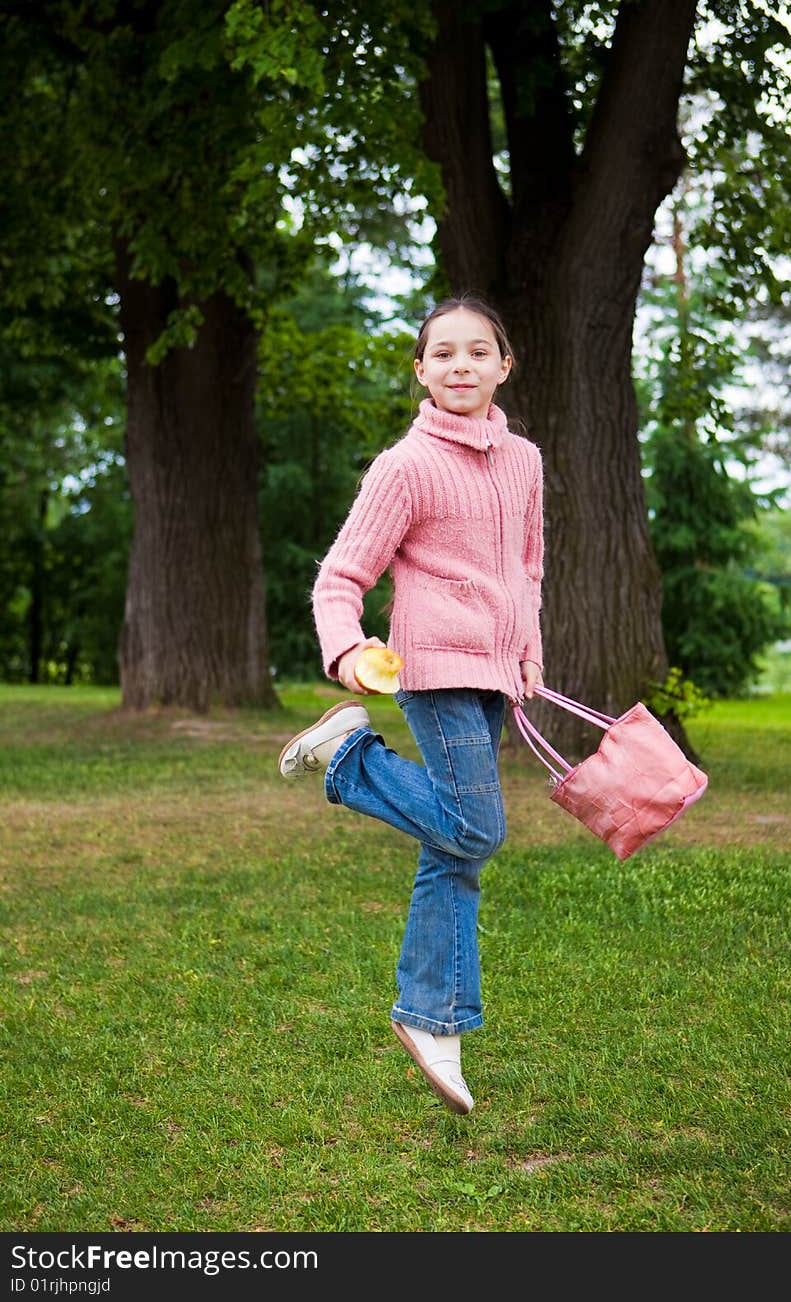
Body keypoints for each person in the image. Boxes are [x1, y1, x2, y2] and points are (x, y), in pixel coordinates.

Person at [277, 295, 544, 1115]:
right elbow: (341, 578)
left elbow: (527, 566)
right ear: (420, 370)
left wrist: (528, 649)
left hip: (496, 671)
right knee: (475, 827)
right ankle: (351, 755)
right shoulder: (404, 467)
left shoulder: (525, 459)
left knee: (451, 849)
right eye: (443, 354)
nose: (460, 366)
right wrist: (347, 649)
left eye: (478, 352)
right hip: (429, 669)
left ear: (504, 365)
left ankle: (434, 1020)